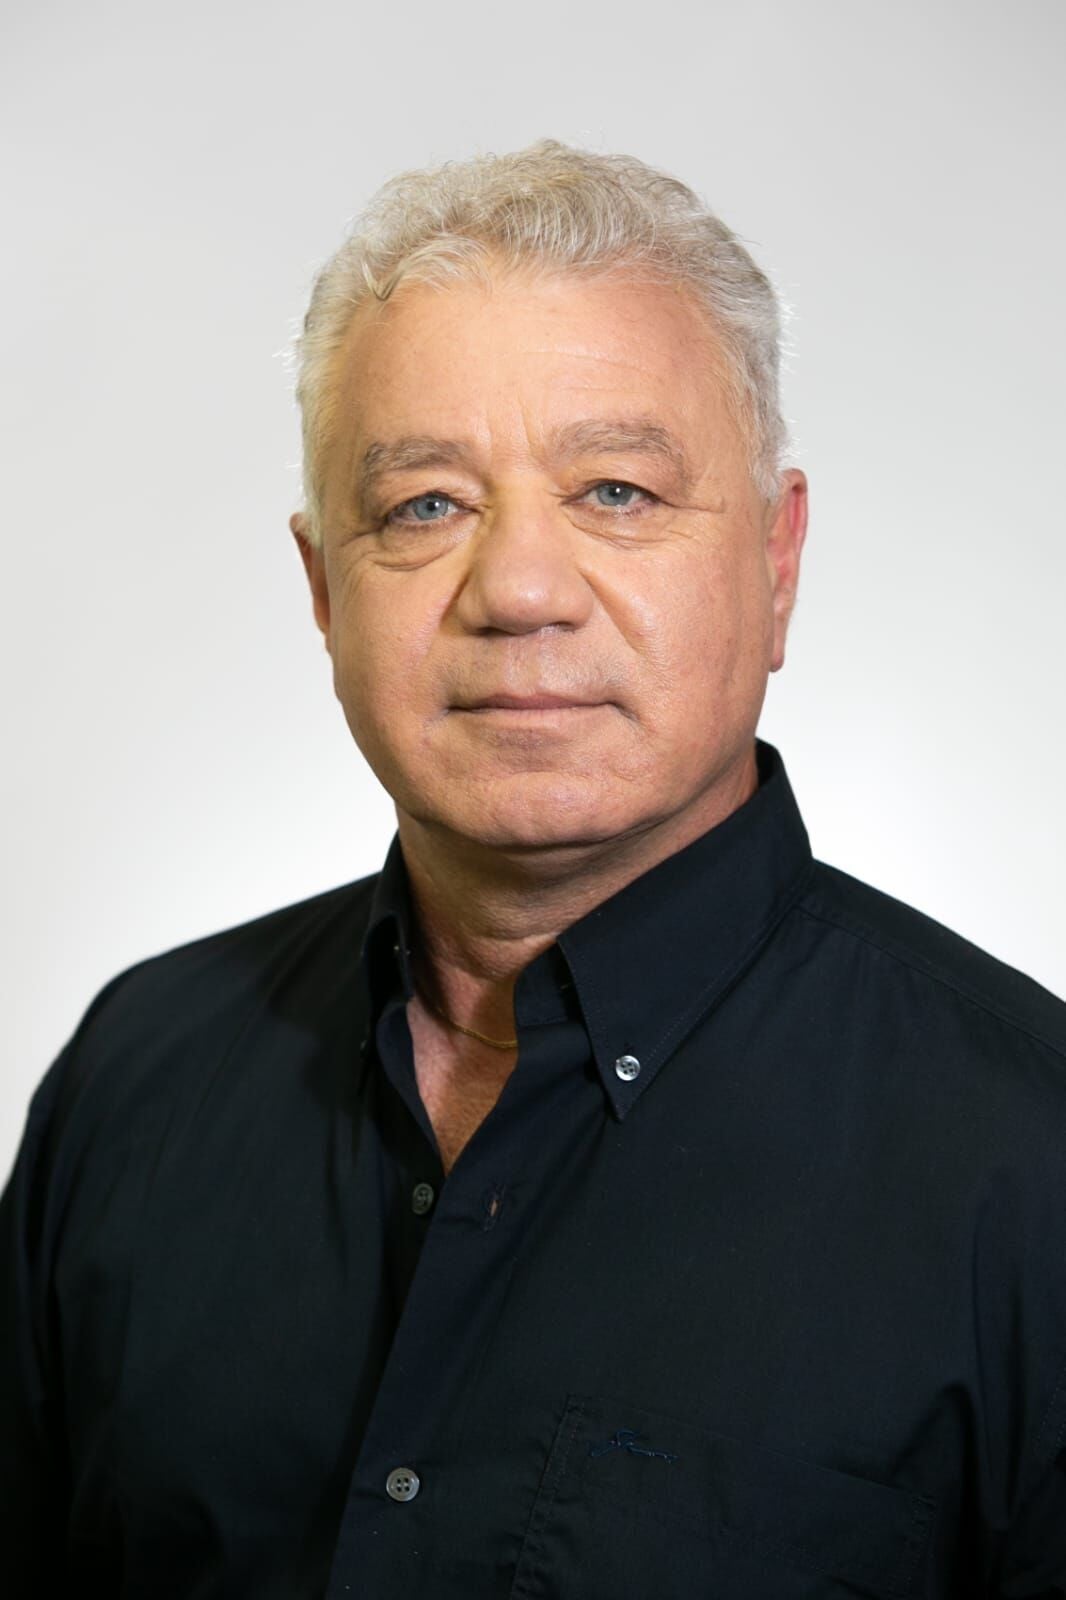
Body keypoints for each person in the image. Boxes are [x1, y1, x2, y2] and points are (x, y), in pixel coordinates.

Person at [2, 139, 1065, 1600]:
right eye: (425, 506)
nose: (516, 590)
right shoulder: (137, 1078)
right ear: (323, 591)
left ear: (777, 561)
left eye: (616, 490)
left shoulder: (1031, 1165)